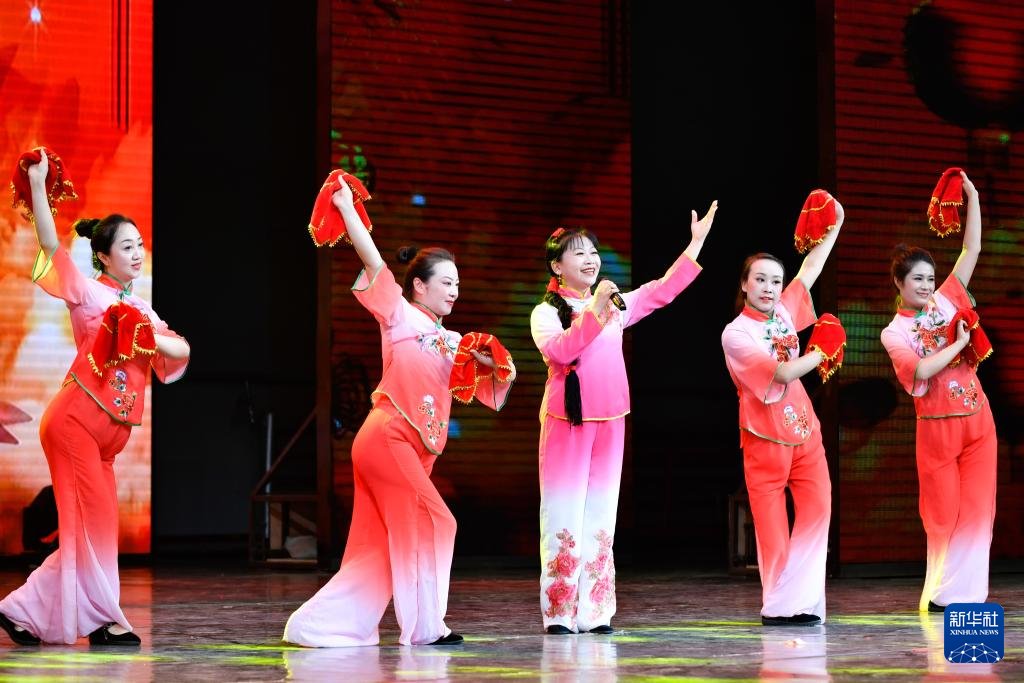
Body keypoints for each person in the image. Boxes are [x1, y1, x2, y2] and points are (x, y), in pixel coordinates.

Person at [283, 180, 515, 647]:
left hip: (405, 450)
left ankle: (318, 625)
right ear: (419, 286)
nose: (454, 291)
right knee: (437, 520)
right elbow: (372, 260)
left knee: (377, 550)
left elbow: (492, 391)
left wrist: (492, 365)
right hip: (387, 438)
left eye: (458, 284)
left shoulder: (455, 341)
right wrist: (347, 208)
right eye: (446, 282)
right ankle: (427, 628)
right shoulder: (399, 315)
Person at [0, 150, 190, 646]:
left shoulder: (140, 306)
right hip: (76, 423)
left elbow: (180, 349)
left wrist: (143, 333)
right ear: (103, 256)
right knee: (91, 527)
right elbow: (49, 244)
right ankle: (106, 622)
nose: (137, 253)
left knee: (97, 528)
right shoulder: (87, 292)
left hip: (106, 438)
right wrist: (38, 185)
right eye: (127, 247)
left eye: (141, 245)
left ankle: (19, 611)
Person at [531, 202, 717, 634]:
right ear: (557, 266)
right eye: (578, 253)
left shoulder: (614, 305)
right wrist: (596, 308)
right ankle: (559, 613)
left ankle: (595, 613)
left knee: (601, 516)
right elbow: (561, 352)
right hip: (568, 420)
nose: (590, 259)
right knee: (563, 514)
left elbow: (660, 290)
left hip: (612, 418)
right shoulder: (546, 312)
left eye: (593, 252)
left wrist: (696, 243)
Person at [720, 198, 844, 626]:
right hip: (764, 438)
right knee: (772, 528)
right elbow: (783, 372)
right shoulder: (736, 334)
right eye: (760, 280)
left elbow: (811, 268)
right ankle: (778, 606)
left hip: (805, 430)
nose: (770, 288)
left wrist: (836, 224)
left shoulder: (785, 313)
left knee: (818, 512)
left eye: (776, 281)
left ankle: (803, 601)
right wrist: (822, 351)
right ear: (744, 284)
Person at [880, 171, 995, 611]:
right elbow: (921, 371)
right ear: (899, 283)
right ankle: (941, 593)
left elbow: (972, 249)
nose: (927, 286)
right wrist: (960, 345)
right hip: (936, 428)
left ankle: (967, 595)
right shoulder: (894, 333)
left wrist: (973, 196)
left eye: (930, 278)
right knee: (942, 514)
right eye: (918, 280)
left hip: (978, 421)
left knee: (979, 511)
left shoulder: (947, 299)